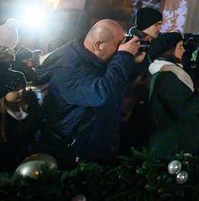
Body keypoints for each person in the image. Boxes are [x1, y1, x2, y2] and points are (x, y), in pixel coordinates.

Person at [40, 20, 140, 165]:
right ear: (98, 45)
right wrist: (123, 57)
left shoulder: (95, 60)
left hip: (93, 148)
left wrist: (132, 62)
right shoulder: (67, 66)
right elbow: (101, 94)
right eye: (119, 44)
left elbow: (116, 87)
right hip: (70, 154)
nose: (122, 48)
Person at [146, 32, 199, 159]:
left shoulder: (172, 73)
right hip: (173, 145)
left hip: (176, 141)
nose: (184, 50)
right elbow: (181, 111)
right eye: (180, 46)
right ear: (169, 50)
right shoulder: (167, 76)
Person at [0, 62, 41, 181]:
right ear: (3, 92)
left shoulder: (30, 107)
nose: (21, 91)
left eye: (22, 87)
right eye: (15, 89)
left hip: (23, 165)